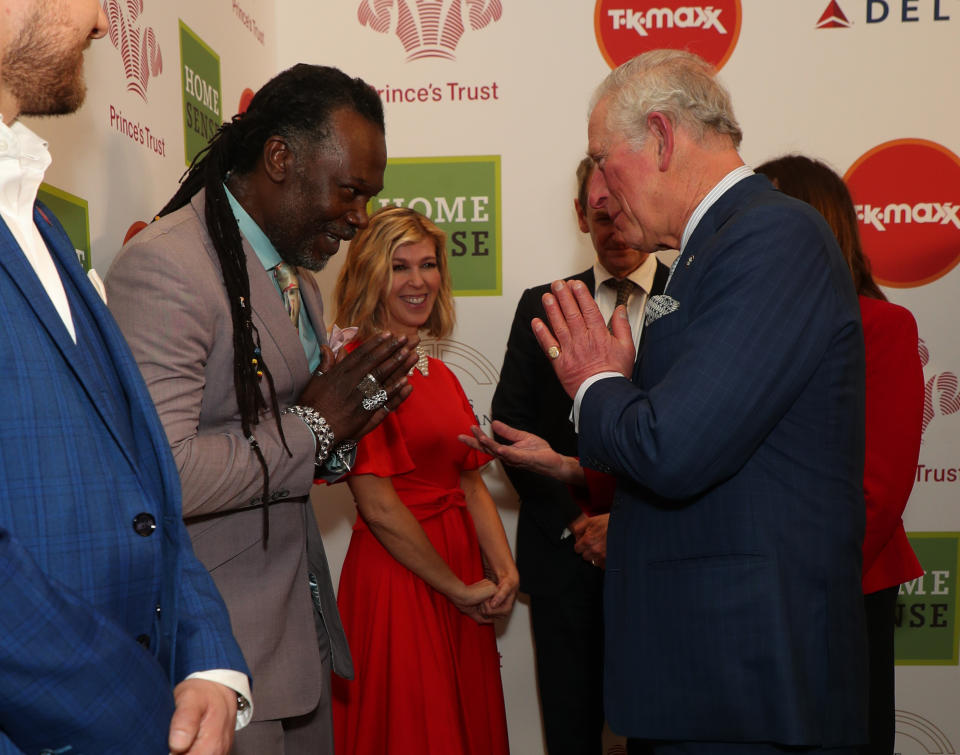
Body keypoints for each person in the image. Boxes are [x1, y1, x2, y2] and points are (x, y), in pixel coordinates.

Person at [532, 49, 869, 753]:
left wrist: (597, 382)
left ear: (659, 135)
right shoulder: (706, 248)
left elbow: (671, 447)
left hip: (742, 680)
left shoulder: (772, 235)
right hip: (701, 674)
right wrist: (620, 386)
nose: (597, 190)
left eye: (602, 159)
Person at [105, 65, 418, 755]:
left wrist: (342, 429)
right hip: (219, 655)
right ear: (280, 158)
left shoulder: (297, 280)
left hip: (295, 641)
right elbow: (167, 472)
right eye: (350, 190)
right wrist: (315, 426)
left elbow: (291, 436)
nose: (361, 215)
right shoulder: (170, 266)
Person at [0, 2, 250, 754]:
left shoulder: (34, 217)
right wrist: (145, 716)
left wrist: (207, 658)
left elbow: (141, 483)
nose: (106, 25)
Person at [489, 156, 668, 754]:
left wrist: (628, 525)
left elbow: (693, 434)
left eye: (623, 213)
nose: (615, 229)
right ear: (579, 215)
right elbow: (511, 429)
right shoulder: (543, 305)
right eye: (600, 215)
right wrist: (577, 526)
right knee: (570, 733)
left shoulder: (691, 294)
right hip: (566, 559)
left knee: (663, 733)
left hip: (663, 558)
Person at [331, 206, 518, 755]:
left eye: (429, 265)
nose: (419, 281)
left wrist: (504, 570)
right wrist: (457, 588)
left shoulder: (438, 372)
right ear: (371, 276)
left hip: (461, 579)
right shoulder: (356, 370)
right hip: (400, 583)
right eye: (400, 267)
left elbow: (470, 485)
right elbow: (380, 507)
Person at [756, 154, 924, 755]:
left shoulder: (883, 327)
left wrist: (802, 582)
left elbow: (878, 486)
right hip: (758, 593)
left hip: (845, 588)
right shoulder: (743, 330)